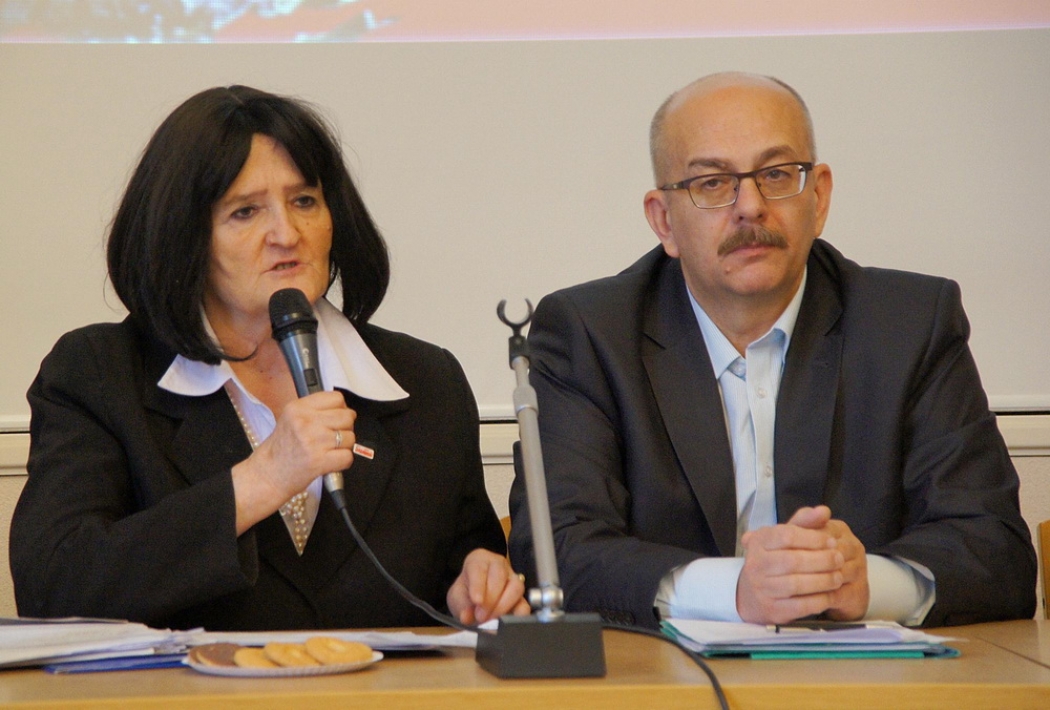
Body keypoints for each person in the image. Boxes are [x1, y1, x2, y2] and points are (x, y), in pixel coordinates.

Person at [508, 72, 1036, 629]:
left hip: (865, 674)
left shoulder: (910, 325)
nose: (751, 207)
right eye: (713, 183)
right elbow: (556, 550)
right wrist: (736, 591)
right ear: (664, 220)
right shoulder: (590, 334)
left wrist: (865, 583)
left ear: (819, 196)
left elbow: (994, 548)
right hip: (666, 673)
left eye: (777, 175)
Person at [10, 85, 529, 631]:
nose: (287, 234)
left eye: (304, 201)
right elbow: (54, 587)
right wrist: (262, 479)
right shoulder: (99, 374)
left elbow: (460, 570)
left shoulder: (425, 381)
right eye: (245, 211)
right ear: (183, 236)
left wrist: (475, 586)